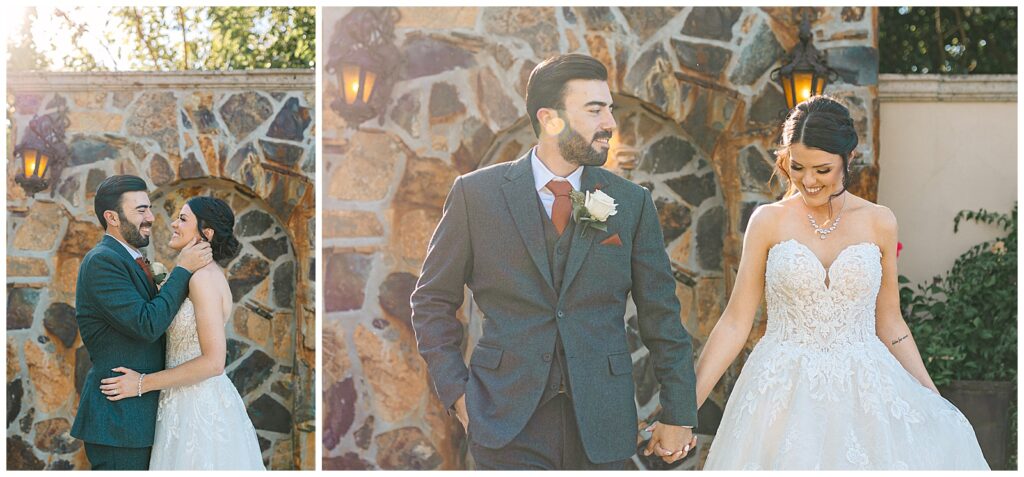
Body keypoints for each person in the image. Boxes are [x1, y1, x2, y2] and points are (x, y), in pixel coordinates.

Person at [410, 53, 698, 470]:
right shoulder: (477, 196)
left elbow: (662, 316)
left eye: (609, 109)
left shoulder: (631, 204)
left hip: (604, 424)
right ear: (550, 119)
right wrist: (459, 396)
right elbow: (431, 301)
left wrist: (679, 413)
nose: (610, 124)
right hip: (505, 421)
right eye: (595, 110)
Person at [689, 96, 988, 470]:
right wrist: (685, 410)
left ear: (848, 158)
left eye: (822, 169)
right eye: (797, 167)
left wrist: (933, 397)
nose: (808, 181)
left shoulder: (880, 221)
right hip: (781, 391)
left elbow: (890, 322)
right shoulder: (768, 221)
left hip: (865, 394)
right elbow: (735, 322)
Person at [99, 196, 265, 470]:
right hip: (178, 403)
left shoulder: (202, 279)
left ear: (206, 233)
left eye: (183, 219)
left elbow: (213, 363)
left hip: (197, 408)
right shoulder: (197, 275)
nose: (174, 224)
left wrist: (142, 383)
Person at [70, 175, 212, 470]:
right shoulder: (102, 262)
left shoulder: (132, 259)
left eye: (148, 209)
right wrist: (182, 270)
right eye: (140, 211)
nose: (150, 218)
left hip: (147, 416)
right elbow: (146, 324)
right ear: (112, 217)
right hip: (121, 421)